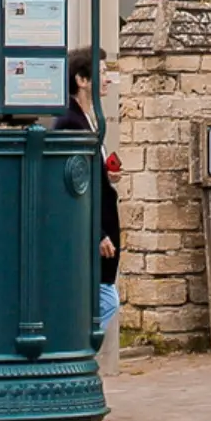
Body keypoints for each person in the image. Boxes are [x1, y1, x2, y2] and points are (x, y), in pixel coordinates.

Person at [68, 54, 122, 335]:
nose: (108, 79)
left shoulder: (88, 120)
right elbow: (73, 187)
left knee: (105, 299)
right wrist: (98, 232)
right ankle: (70, 351)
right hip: (92, 234)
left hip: (100, 232)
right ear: (82, 79)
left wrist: (106, 174)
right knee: (106, 301)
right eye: (102, 72)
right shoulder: (71, 123)